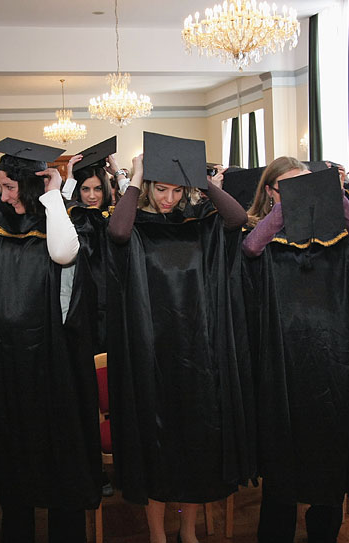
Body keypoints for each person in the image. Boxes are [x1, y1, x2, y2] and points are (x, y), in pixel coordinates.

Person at [0, 138, 101, 543]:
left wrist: (52, 196)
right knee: (14, 457)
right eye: (1, 185)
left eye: (11, 186)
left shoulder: (61, 218)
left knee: (57, 453)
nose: (4, 193)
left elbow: (64, 255)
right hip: (6, 359)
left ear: (31, 185)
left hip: (52, 357)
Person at [107, 133, 251, 543]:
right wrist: (134, 175)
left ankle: (187, 531)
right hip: (150, 350)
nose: (168, 199)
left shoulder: (199, 224)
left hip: (197, 352)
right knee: (158, 451)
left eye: (175, 189)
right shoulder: (135, 227)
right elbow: (117, 232)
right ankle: (157, 534)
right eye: (161, 188)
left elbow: (238, 219)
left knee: (195, 448)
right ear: (149, 187)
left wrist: (204, 182)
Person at [242, 157, 349, 543]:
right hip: (281, 356)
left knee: (329, 445)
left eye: (307, 184)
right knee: (282, 448)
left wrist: (337, 199)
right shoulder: (262, 228)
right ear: (270, 191)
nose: (301, 192)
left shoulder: (335, 230)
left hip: (332, 356)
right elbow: (252, 248)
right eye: (288, 185)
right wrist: (289, 207)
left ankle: (324, 531)